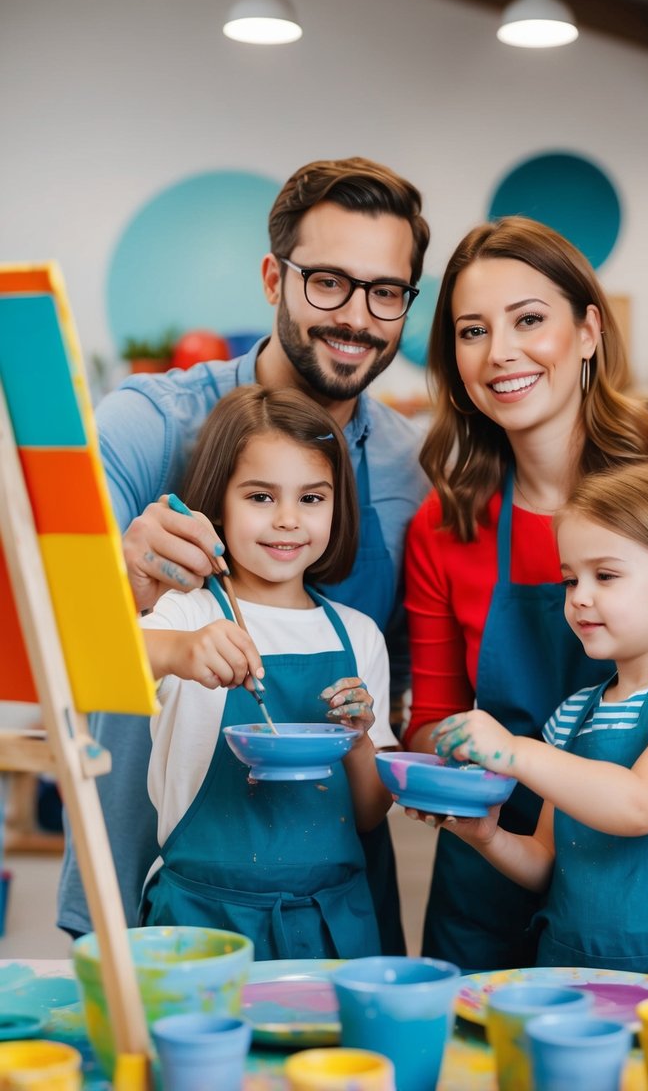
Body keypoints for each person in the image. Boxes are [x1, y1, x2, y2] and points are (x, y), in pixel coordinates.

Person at [403, 216, 648, 973]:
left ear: (588, 331)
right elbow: (430, 720)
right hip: (496, 875)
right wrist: (464, 771)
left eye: (529, 320)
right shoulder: (444, 522)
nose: (500, 353)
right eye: (471, 331)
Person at [57, 157, 431, 949]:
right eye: (326, 280)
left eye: (385, 291)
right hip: (156, 884)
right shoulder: (148, 422)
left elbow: (400, 691)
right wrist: (126, 573)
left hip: (332, 898)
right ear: (273, 277)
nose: (355, 316)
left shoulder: (409, 466)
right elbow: (51, 626)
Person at [420, 463, 648, 978]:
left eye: (606, 576)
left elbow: (642, 803)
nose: (579, 598)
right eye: (570, 579)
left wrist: (516, 752)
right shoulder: (572, 717)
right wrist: (487, 836)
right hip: (580, 974)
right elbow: (546, 863)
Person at [140, 386, 391, 959]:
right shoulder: (187, 612)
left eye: (311, 498)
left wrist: (358, 739)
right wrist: (180, 650)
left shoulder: (357, 635)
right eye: (259, 496)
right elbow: (99, 655)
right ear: (217, 504)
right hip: (201, 922)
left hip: (330, 924)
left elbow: (372, 812)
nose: (287, 520)